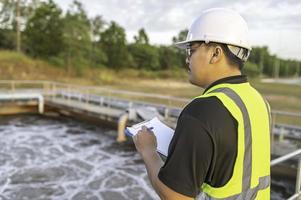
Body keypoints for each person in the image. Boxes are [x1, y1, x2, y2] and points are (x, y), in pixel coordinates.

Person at [133, 8, 271, 200]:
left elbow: (175, 197)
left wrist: (148, 151)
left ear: (215, 54)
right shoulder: (259, 100)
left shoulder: (202, 111)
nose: (187, 58)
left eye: (192, 50)